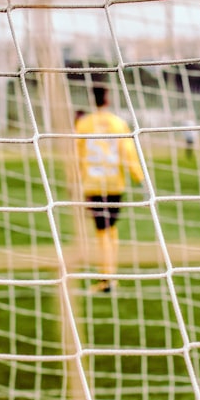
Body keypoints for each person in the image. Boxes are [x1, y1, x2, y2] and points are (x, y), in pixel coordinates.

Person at [75, 86, 144, 293]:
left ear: (91, 99)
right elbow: (128, 153)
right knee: (111, 231)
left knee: (103, 233)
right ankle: (111, 276)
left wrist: (75, 182)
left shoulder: (84, 124)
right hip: (114, 185)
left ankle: (107, 279)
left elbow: (76, 156)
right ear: (107, 100)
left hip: (93, 185)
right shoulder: (118, 123)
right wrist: (140, 179)